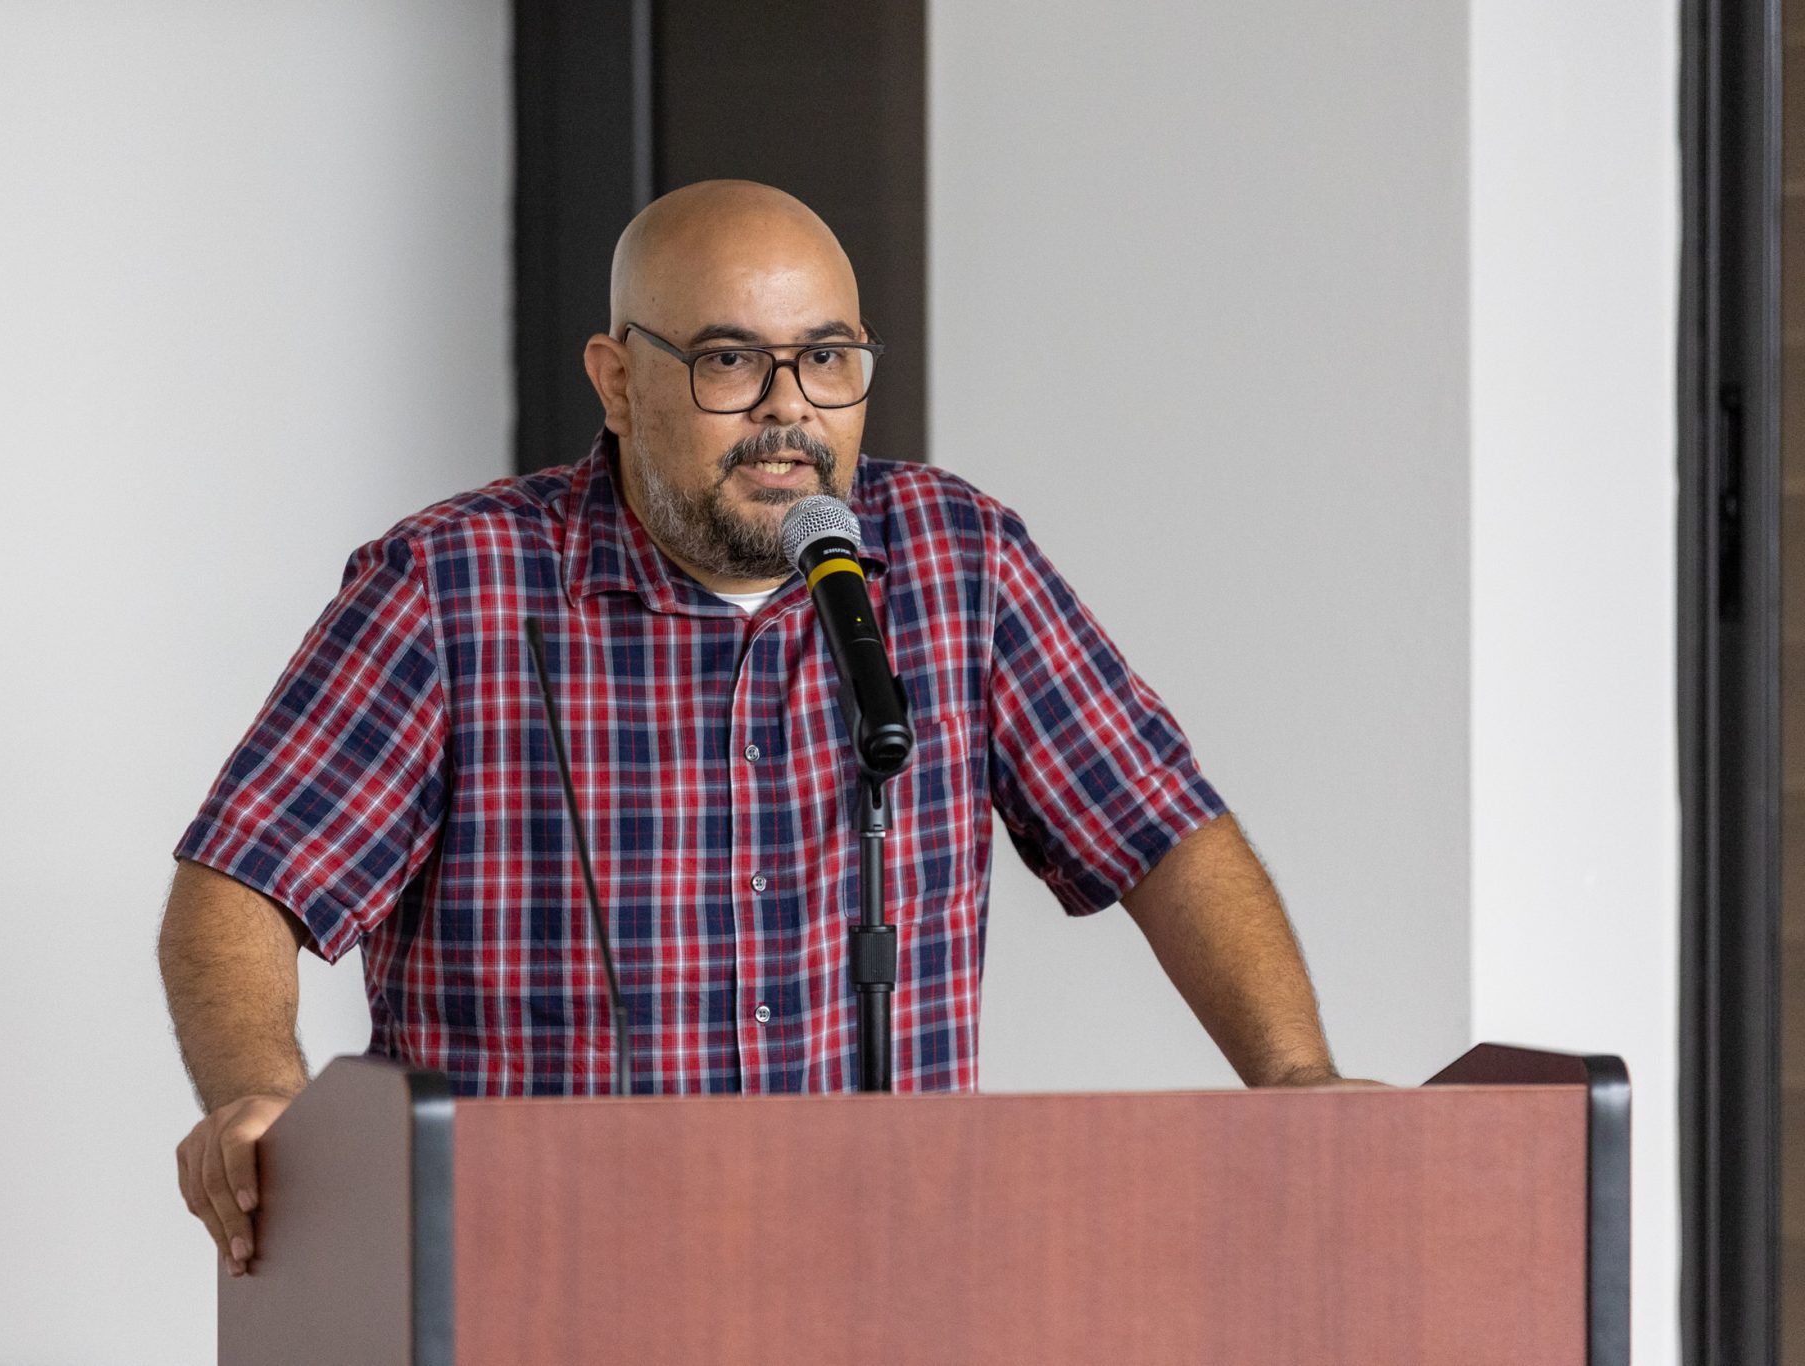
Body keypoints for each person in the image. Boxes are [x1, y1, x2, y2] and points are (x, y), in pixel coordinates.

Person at [159, 180, 1366, 1279]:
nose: (788, 411)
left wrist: (1293, 1075)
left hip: (884, 1279)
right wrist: (261, 1097)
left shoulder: (959, 560)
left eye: (827, 358)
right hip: (530, 1280)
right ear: (618, 380)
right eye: (731, 360)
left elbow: (1161, 834)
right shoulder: (451, 583)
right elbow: (243, 883)